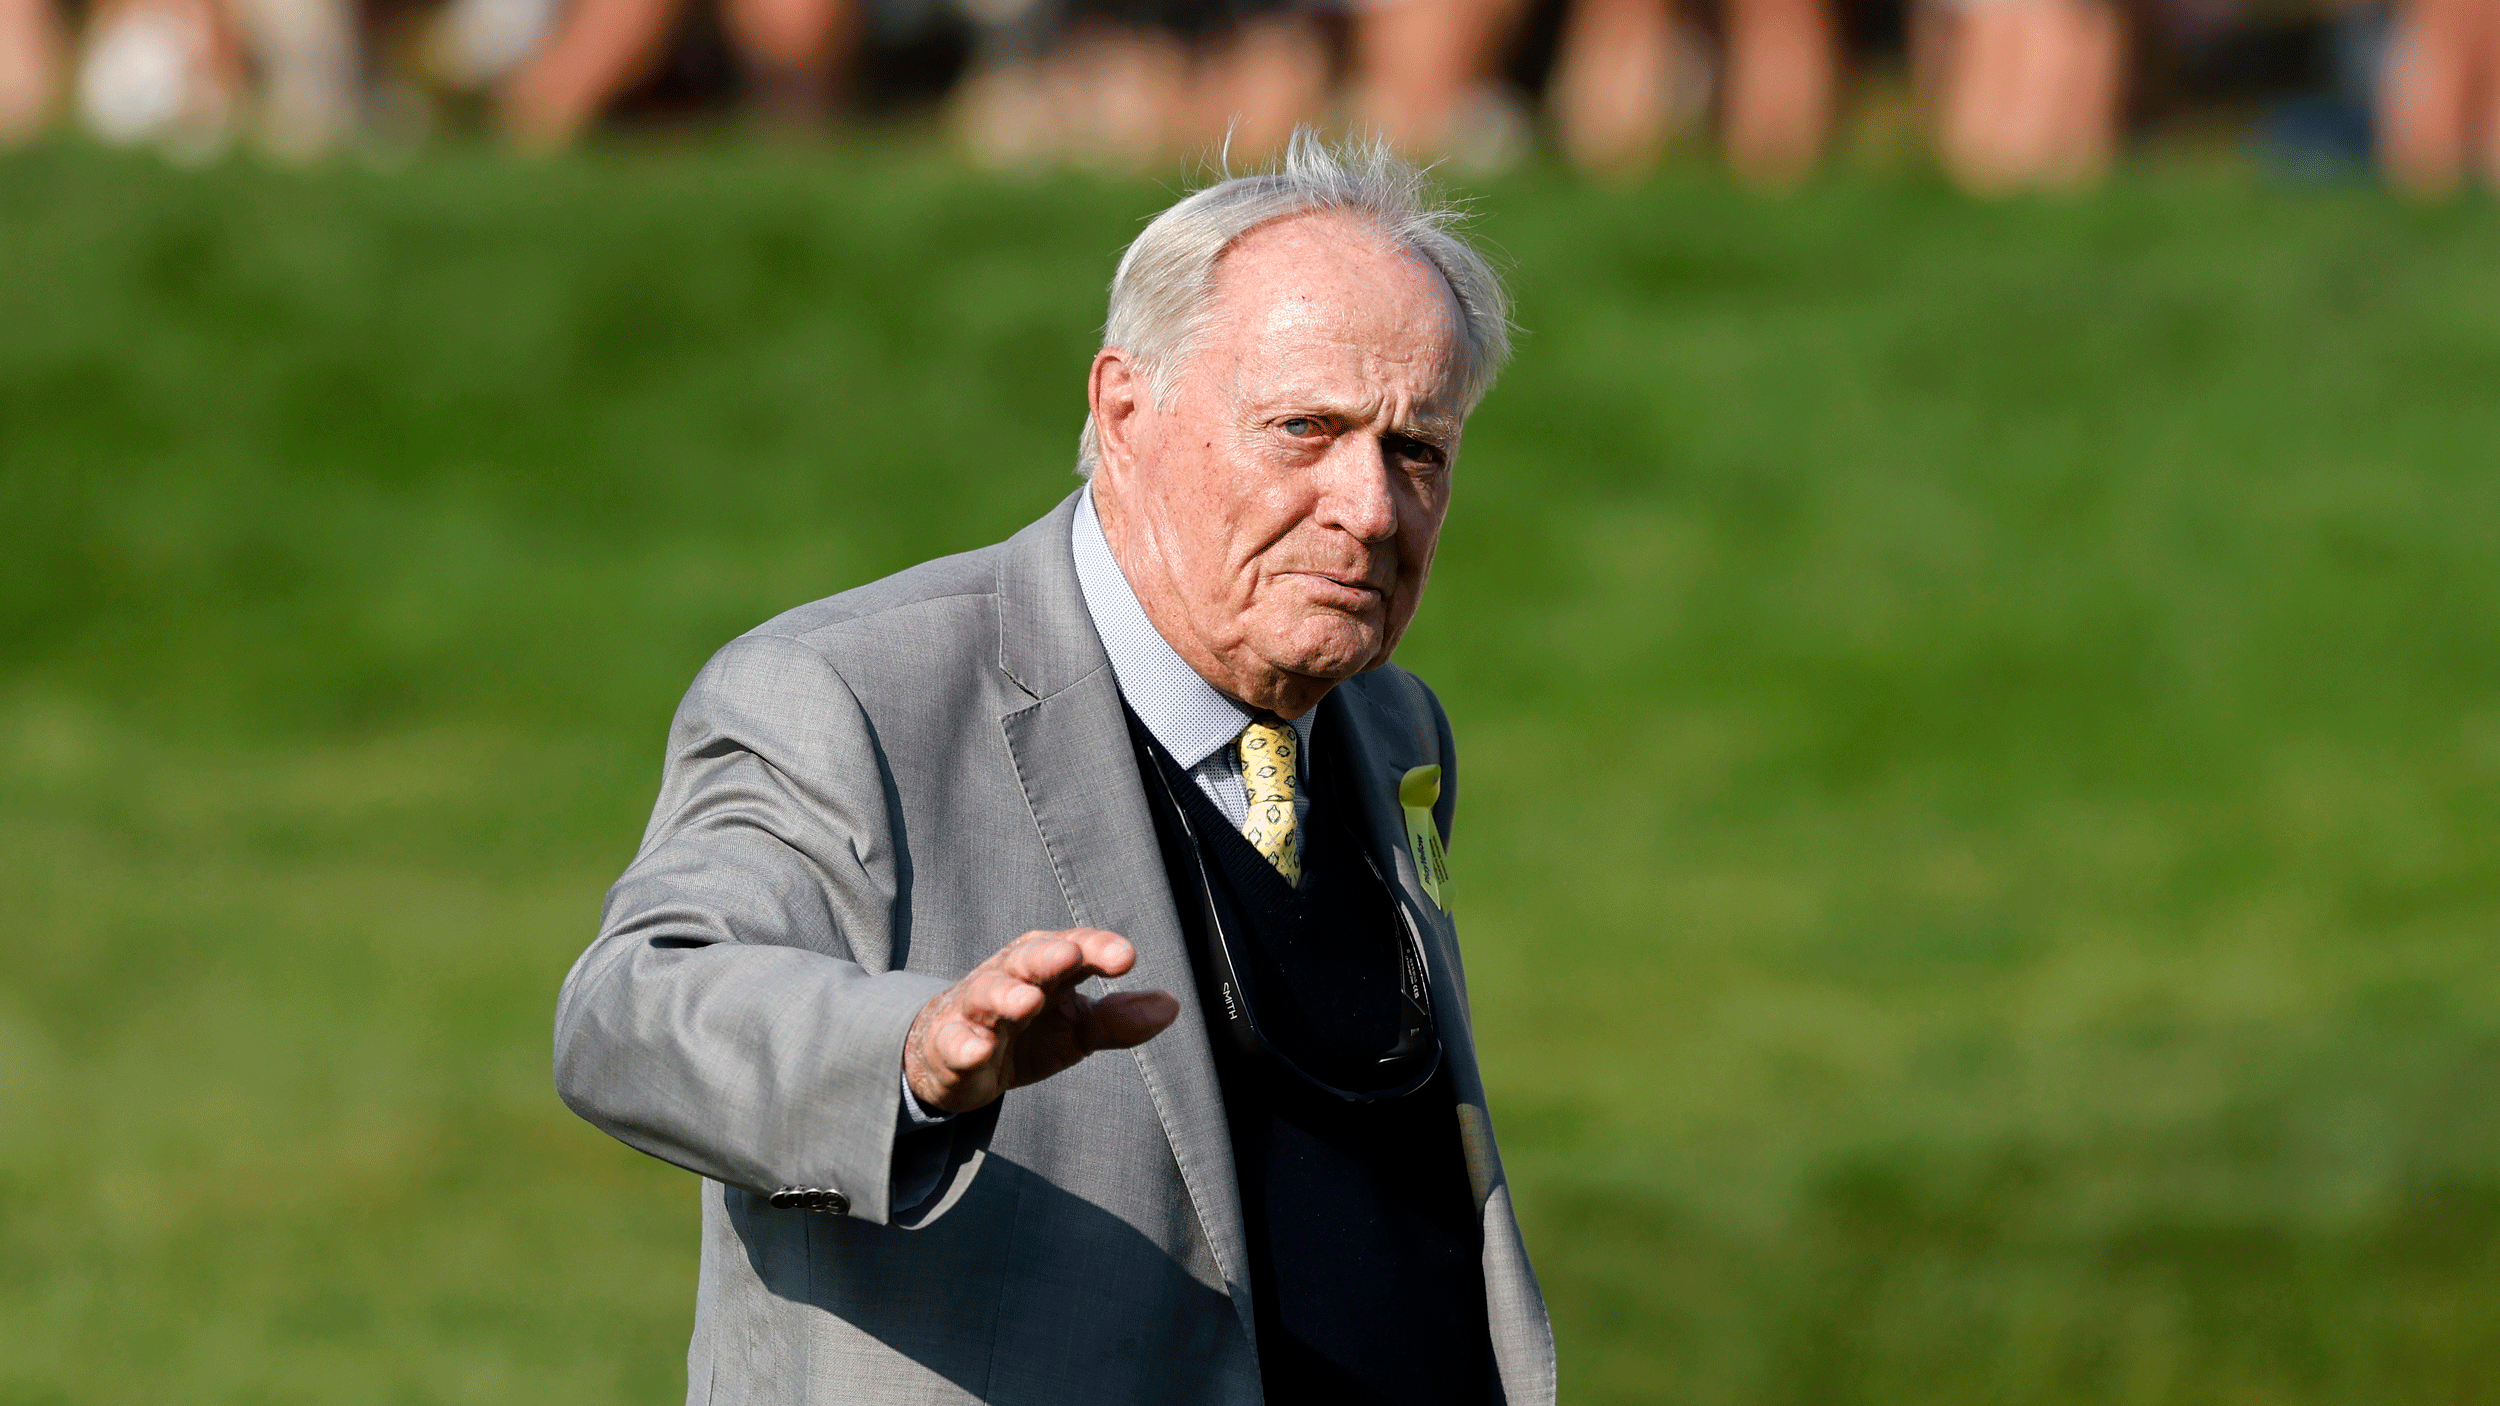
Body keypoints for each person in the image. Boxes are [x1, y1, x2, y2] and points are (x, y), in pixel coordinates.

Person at [552, 130, 1556, 1405]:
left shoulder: (1386, 726)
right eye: (1303, 428)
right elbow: (630, 1013)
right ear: (1125, 411)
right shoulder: (850, 695)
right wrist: (909, 1054)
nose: (1367, 506)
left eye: (1415, 449)